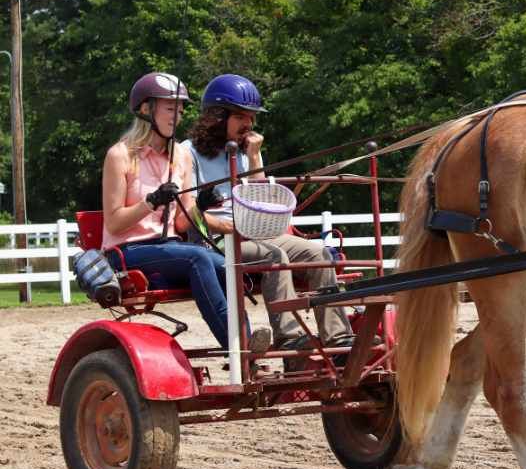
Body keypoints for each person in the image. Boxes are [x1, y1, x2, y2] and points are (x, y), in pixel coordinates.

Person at [183, 73, 354, 351]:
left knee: (319, 254)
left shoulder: (246, 152)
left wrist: (253, 158)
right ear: (216, 116)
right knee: (275, 255)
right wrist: (230, 229)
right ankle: (289, 337)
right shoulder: (187, 153)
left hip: (253, 235)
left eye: (251, 117)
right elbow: (189, 213)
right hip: (215, 244)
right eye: (240, 117)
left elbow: (262, 202)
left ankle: (338, 340)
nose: (249, 124)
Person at [102, 71, 271, 352]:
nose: (176, 116)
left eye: (180, 110)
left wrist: (200, 205)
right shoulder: (120, 155)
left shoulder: (180, 155)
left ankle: (248, 349)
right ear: (146, 109)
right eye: (170, 108)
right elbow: (115, 223)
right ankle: (239, 347)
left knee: (229, 266)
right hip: (127, 252)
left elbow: (181, 223)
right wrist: (151, 202)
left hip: (170, 249)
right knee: (197, 257)